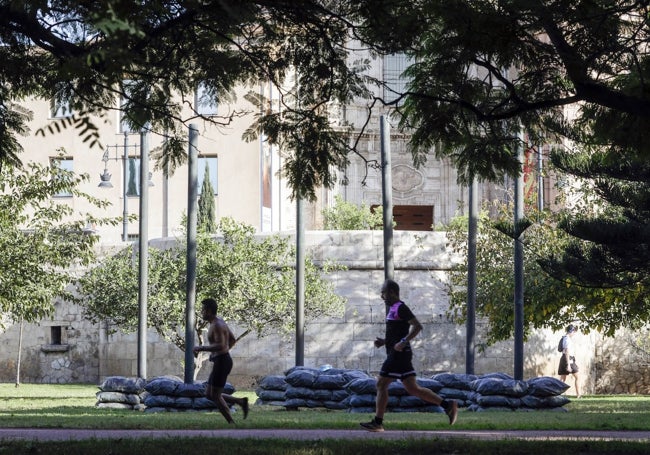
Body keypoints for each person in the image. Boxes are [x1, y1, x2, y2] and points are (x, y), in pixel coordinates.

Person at [360, 279, 458, 432]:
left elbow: (418, 326)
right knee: (413, 389)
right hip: (400, 354)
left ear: (392, 292)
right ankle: (448, 405)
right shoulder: (393, 309)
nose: (382, 296)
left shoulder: (401, 307)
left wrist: (404, 342)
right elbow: (397, 333)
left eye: (383, 293)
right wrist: (385, 342)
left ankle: (378, 423)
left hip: (398, 355)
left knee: (381, 384)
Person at [193, 297, 249, 423]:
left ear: (208, 311)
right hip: (221, 360)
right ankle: (240, 401)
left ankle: (231, 423)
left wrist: (201, 348)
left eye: (203, 310)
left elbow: (221, 345)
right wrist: (221, 352)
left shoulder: (217, 325)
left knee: (215, 395)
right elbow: (232, 340)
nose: (201, 313)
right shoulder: (219, 322)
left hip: (222, 362)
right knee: (209, 394)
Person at [558, 324, 581, 398]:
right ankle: (578, 395)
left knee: (562, 378)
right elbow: (567, 351)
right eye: (574, 332)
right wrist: (568, 365)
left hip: (563, 358)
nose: (574, 334)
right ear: (572, 331)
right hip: (568, 359)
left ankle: (558, 394)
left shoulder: (564, 338)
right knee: (578, 377)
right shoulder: (567, 339)